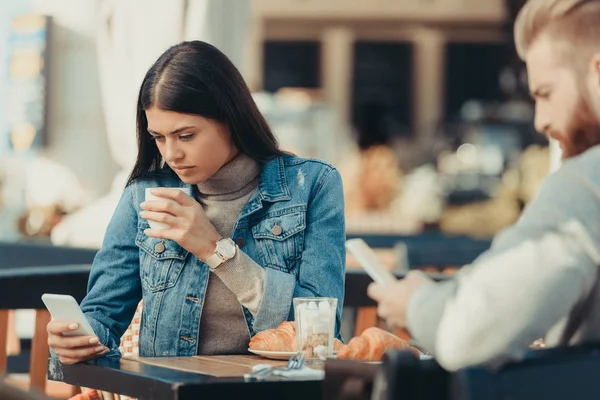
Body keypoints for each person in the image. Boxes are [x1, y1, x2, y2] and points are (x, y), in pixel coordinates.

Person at [46, 40, 346, 364]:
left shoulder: (313, 186)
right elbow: (103, 315)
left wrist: (215, 250)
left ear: (230, 118)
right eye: (158, 138)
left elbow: (319, 331)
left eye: (185, 136)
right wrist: (77, 336)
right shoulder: (144, 196)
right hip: (172, 390)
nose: (171, 154)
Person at [368, 0, 600, 371]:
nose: (540, 120)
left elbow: (468, 335)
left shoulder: (586, 185)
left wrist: (417, 304)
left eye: (546, 93)